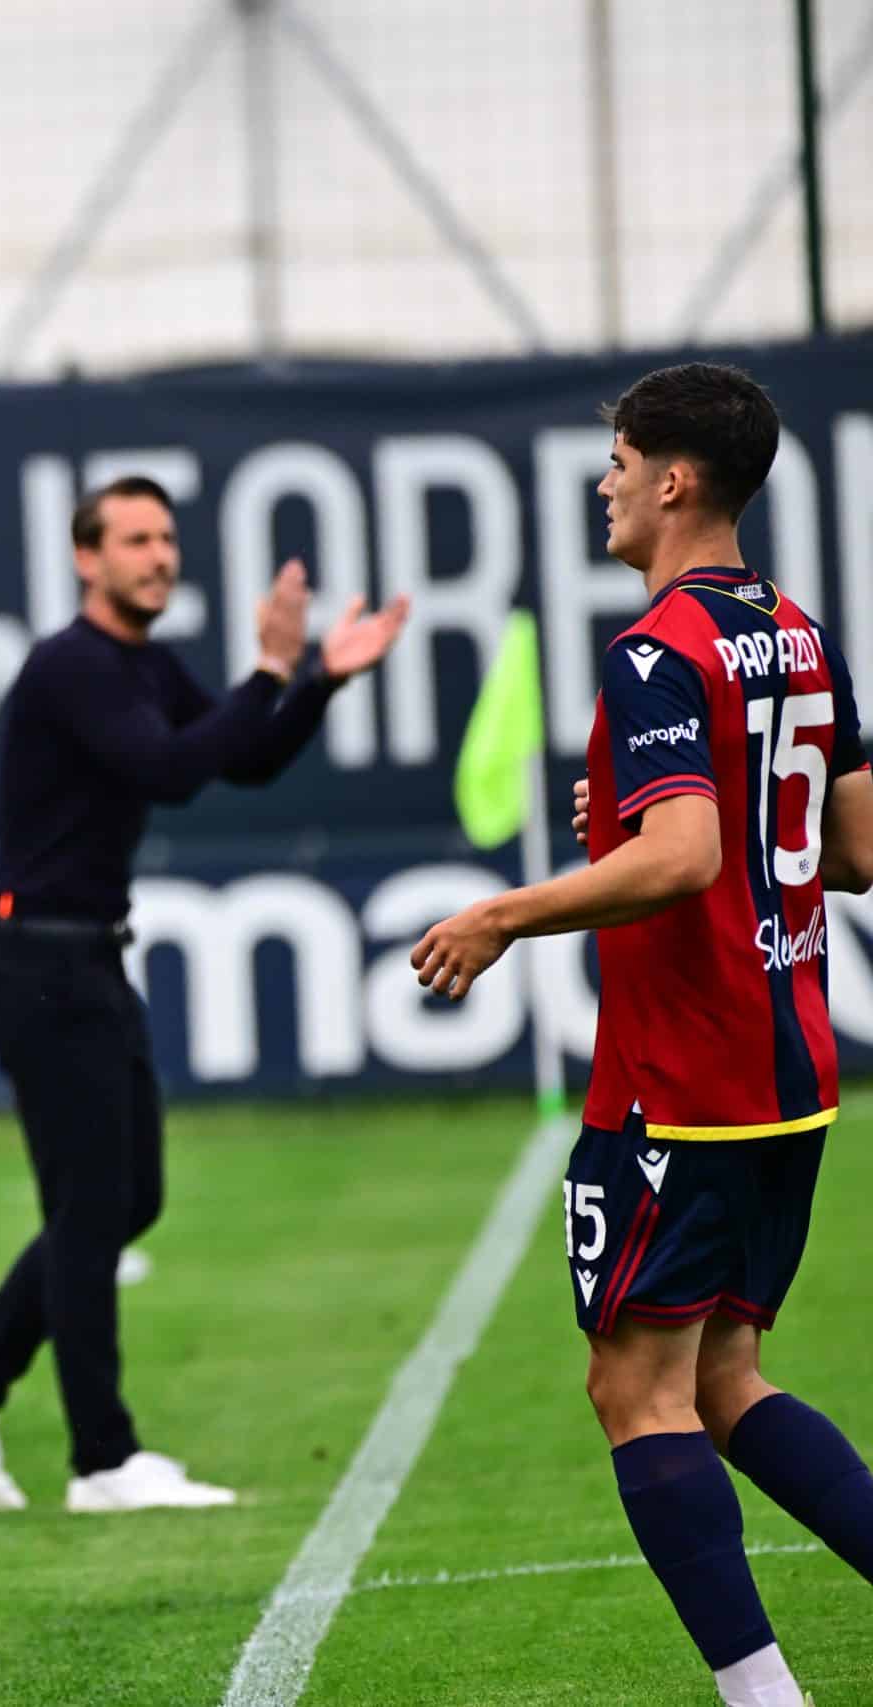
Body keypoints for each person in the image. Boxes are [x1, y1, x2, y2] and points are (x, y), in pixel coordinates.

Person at [414, 362, 873, 1707]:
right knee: (725, 1374)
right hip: (789, 1063)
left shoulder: (660, 646)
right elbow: (852, 853)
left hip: (685, 1075)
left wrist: (505, 910)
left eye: (620, 459)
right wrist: (645, 824)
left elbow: (682, 854)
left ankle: (763, 1695)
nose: (604, 482)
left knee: (639, 1388)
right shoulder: (798, 630)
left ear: (675, 478)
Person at [0, 475, 407, 1515]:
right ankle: (102, 1461)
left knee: (128, 1201)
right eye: (134, 540)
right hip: (36, 963)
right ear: (87, 558)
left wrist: (316, 683)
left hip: (82, 961)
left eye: (166, 539)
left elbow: (241, 759)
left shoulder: (141, 661)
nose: (159, 556)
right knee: (90, 1208)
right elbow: (167, 769)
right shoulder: (69, 664)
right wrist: (267, 667)